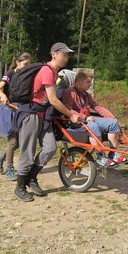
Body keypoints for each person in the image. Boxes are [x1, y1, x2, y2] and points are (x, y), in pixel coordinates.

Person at [14, 43, 81, 202]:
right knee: (27, 152)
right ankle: (20, 187)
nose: (66, 58)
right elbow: (53, 99)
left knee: (50, 148)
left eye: (67, 55)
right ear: (54, 54)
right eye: (63, 54)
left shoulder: (54, 72)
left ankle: (32, 178)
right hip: (31, 115)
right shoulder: (47, 71)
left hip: (44, 116)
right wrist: (71, 115)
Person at [61, 69, 127, 167]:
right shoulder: (69, 92)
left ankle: (113, 153)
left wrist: (113, 118)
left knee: (112, 123)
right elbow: (67, 109)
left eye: (91, 82)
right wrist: (83, 117)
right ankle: (100, 156)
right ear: (79, 81)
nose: (90, 84)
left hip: (88, 119)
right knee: (93, 125)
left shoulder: (86, 95)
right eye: (88, 82)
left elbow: (98, 107)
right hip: (75, 123)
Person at [0, 52, 32, 180]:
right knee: (13, 141)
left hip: (21, 110)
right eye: (25, 64)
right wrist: (3, 96)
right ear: (17, 62)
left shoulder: (27, 76)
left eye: (29, 65)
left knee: (20, 142)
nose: (27, 67)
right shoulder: (10, 74)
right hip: (10, 110)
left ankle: (0, 156)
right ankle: (9, 168)